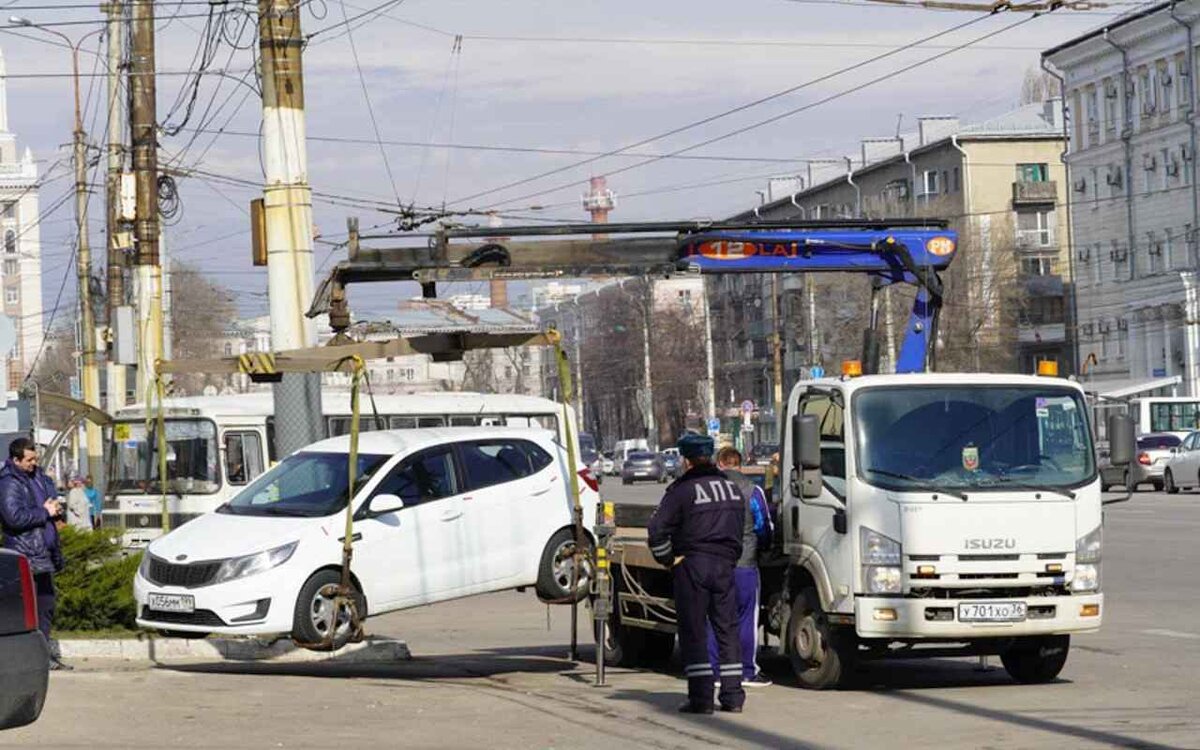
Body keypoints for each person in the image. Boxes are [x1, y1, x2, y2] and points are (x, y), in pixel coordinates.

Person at [647, 433, 746, 715]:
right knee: (727, 630)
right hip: (726, 565)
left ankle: (701, 699)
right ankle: (733, 696)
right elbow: (740, 527)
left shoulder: (682, 490)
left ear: (686, 460)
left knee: (694, 632)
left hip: (693, 564)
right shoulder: (730, 488)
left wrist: (668, 559)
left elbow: (657, 530)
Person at [0, 437, 70, 670]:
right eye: (29, 460)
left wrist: (56, 510)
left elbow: (48, 502)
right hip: (26, 554)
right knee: (33, 608)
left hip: (44, 553)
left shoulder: (38, 477)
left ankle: (44, 655)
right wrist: (44, 511)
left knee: (47, 605)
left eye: (35, 459)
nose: (33, 463)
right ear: (16, 459)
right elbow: (14, 517)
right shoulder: (9, 483)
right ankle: (34, 658)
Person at [709, 446, 774, 688]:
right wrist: (764, 548)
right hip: (745, 564)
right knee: (746, 617)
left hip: (714, 564)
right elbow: (763, 526)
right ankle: (747, 671)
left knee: (715, 617)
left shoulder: (708, 489)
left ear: (720, 463)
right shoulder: (753, 490)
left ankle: (715, 671)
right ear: (740, 463)